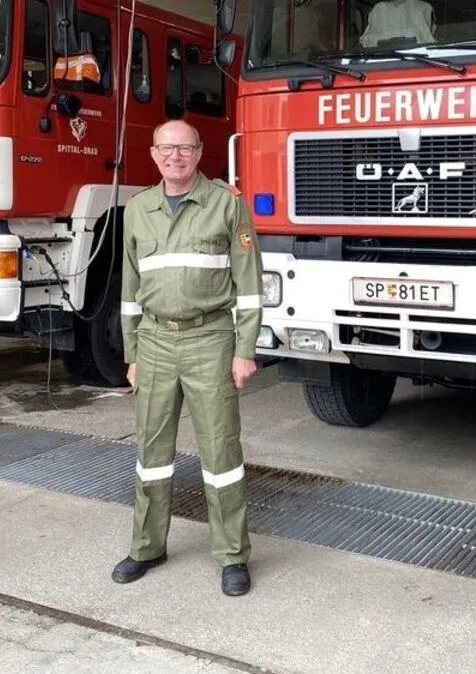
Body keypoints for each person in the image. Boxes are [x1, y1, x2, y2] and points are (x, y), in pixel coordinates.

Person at [112, 119, 264, 597]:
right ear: (153, 154)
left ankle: (232, 555)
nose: (174, 156)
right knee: (150, 455)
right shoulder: (137, 209)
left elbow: (250, 286)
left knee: (221, 453)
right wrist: (133, 352)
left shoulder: (227, 203)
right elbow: (129, 289)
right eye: (165, 148)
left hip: (210, 341)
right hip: (154, 343)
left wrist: (244, 349)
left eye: (184, 147)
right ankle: (146, 547)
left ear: (200, 153)